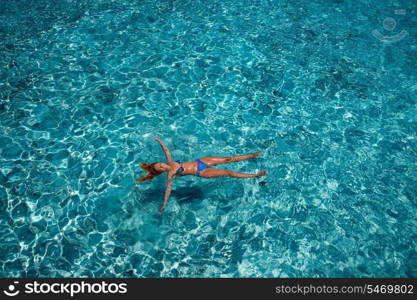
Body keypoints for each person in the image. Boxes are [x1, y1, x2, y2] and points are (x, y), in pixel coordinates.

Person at [137, 136, 267, 213]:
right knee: (228, 172)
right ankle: (254, 175)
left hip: (200, 161)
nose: (161, 165)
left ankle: (251, 156)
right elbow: (168, 190)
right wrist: (164, 204)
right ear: (160, 171)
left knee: (228, 159)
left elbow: (165, 149)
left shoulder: (170, 161)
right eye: (159, 167)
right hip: (202, 172)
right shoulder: (170, 174)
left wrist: (158, 140)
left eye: (159, 163)